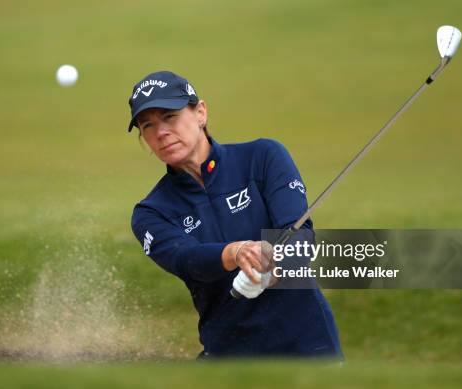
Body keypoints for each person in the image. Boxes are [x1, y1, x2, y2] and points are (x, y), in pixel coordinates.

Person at [128, 70, 342, 358]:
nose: (161, 132)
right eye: (148, 125)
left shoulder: (262, 157)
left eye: (169, 117)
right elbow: (185, 259)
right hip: (230, 353)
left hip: (306, 345)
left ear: (200, 112)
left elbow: (299, 235)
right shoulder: (151, 212)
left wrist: (271, 269)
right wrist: (236, 253)